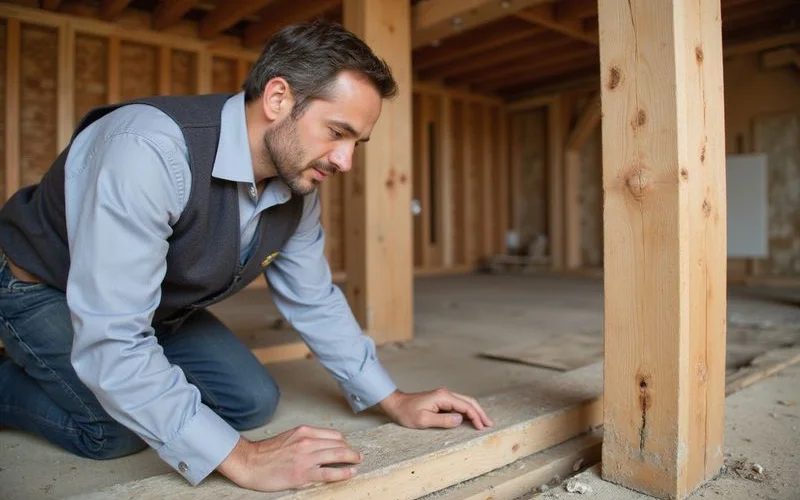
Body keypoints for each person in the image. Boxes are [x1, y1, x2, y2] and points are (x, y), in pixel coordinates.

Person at [0, 20, 493, 493]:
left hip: (156, 308)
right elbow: (113, 338)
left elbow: (314, 298)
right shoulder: (147, 149)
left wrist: (394, 399)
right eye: (337, 132)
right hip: (42, 288)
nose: (346, 162)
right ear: (278, 98)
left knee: (252, 401)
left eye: (356, 144)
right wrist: (244, 458)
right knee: (117, 431)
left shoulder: (298, 186)